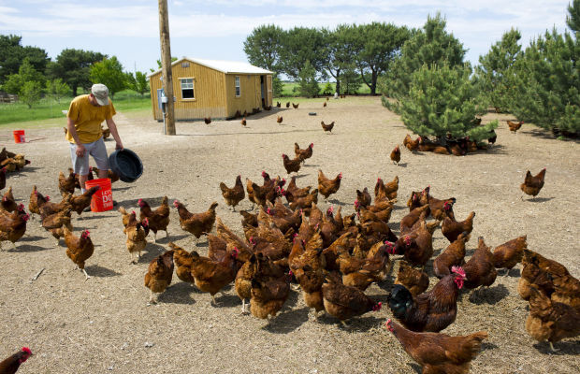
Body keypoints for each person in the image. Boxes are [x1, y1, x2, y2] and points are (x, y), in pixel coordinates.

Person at [66, 83, 123, 193]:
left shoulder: (107, 103)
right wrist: (78, 145)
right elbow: (70, 124)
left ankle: (100, 194)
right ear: (91, 95)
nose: (102, 104)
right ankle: (85, 197)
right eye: (99, 101)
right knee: (83, 172)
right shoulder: (77, 102)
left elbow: (110, 123)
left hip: (97, 138)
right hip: (80, 140)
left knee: (104, 167)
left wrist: (118, 141)